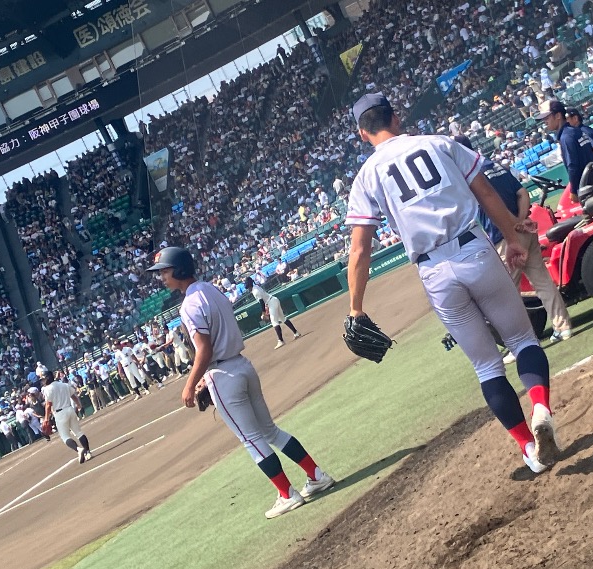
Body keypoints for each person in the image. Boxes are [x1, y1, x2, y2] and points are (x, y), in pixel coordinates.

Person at [345, 92, 559, 474]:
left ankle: (528, 448)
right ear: (395, 118)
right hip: (474, 249)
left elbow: (360, 251)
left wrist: (356, 307)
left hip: (434, 272)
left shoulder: (366, 177)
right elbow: (488, 192)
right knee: (523, 340)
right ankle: (541, 407)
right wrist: (511, 235)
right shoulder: (438, 143)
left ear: (363, 134)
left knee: (487, 367)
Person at [147, 247, 335, 518]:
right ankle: (316, 475)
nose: (162, 277)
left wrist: (190, 384)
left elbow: (205, 350)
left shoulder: (189, 304)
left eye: (164, 271)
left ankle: (287, 494)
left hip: (223, 375)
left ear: (178, 270)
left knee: (251, 438)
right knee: (270, 431)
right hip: (242, 366)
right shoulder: (211, 289)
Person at [453, 135, 573, 348]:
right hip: (525, 229)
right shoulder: (493, 165)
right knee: (543, 281)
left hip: (506, 239)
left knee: (506, 296)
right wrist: (520, 220)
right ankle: (563, 327)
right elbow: (522, 192)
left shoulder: (469, 174)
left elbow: (492, 206)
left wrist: (512, 226)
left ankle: (523, 344)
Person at [537, 100, 593, 204]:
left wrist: (573, 191)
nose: (545, 122)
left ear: (558, 116)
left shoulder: (566, 137)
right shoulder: (575, 131)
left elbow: (572, 165)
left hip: (592, 190)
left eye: (547, 118)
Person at [41, 370, 92, 464]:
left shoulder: (48, 389)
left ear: (48, 378)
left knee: (65, 437)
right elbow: (73, 396)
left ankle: (79, 450)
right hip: (70, 409)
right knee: (79, 432)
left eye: (44, 379)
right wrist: (78, 405)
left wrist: (46, 418)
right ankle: (88, 452)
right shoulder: (63, 385)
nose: (43, 381)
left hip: (60, 413)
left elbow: (48, 405)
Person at [243, 277, 301, 349]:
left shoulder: (255, 291)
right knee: (282, 318)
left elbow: (261, 302)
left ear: (248, 285)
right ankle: (296, 333)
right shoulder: (256, 287)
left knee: (274, 322)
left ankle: (281, 341)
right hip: (273, 300)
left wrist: (263, 312)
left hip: (271, 302)